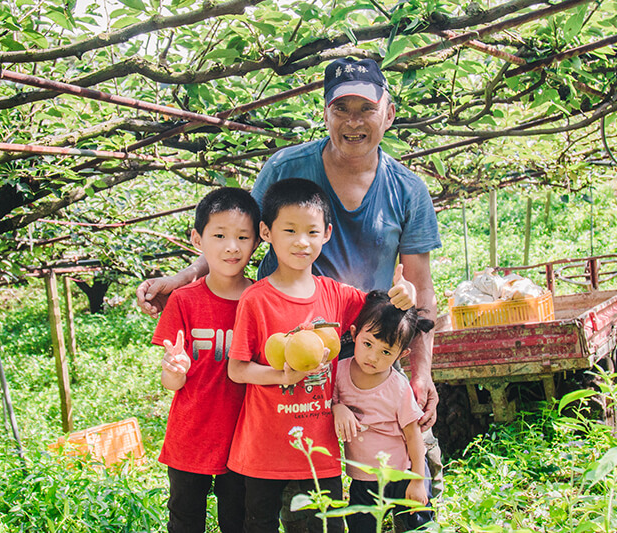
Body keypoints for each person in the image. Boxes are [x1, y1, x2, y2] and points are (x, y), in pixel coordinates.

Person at [137, 57, 444, 493]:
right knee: (299, 472)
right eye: (341, 109)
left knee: (393, 460)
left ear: (388, 113)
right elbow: (240, 233)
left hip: (370, 343)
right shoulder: (287, 168)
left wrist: (421, 370)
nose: (353, 122)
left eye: (366, 109)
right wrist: (187, 275)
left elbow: (421, 287)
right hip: (287, 343)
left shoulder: (407, 189)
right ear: (324, 113)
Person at [225, 178, 417, 533]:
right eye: (290, 230)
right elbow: (238, 370)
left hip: (320, 451)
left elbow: (383, 311)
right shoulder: (256, 299)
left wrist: (405, 292)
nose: (302, 241)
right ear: (267, 232)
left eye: (312, 231)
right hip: (263, 449)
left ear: (327, 233)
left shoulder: (337, 295)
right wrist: (281, 376)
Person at [152, 186, 260, 533]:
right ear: (198, 239)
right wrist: (175, 371)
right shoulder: (184, 301)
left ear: (258, 241)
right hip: (191, 437)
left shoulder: (262, 299)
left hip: (244, 442)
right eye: (220, 235)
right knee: (184, 522)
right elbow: (172, 382)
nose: (232, 246)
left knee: (238, 522)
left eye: (243, 237)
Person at [333, 290, 435, 532]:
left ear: (402, 355)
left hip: (403, 473)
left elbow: (413, 436)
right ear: (354, 334)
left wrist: (418, 480)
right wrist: (338, 408)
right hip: (363, 479)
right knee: (361, 526)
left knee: (418, 525)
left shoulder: (397, 387)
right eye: (368, 344)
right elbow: (328, 402)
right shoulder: (338, 373)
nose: (373, 357)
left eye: (386, 352)